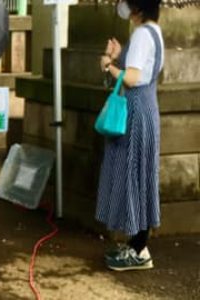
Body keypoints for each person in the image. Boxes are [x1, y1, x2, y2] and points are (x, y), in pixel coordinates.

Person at [97, 0, 164, 272]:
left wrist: (107, 65)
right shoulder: (154, 32)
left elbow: (133, 78)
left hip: (134, 111)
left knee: (130, 173)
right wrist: (119, 54)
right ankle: (138, 244)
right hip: (148, 108)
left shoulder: (140, 35)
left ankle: (138, 250)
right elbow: (144, 68)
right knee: (142, 175)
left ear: (137, 8)